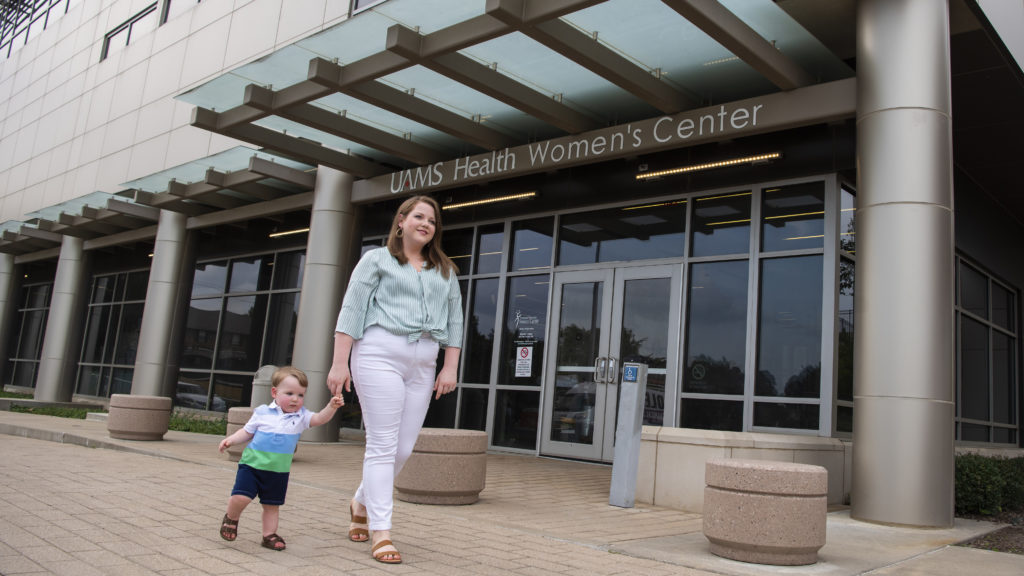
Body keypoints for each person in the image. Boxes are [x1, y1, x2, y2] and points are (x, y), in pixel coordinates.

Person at [328, 195, 463, 564]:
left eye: (432, 220)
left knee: (403, 449)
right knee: (383, 445)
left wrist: (449, 368)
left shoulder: (445, 270)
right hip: (379, 353)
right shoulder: (377, 259)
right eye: (419, 216)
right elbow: (352, 310)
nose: (426, 224)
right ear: (400, 221)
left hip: (424, 361)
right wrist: (340, 364)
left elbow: (455, 321)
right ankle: (381, 532)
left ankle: (360, 500)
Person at [218, 366, 344, 551]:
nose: (295, 399)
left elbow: (319, 419)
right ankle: (232, 517)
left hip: (278, 472)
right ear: (274, 392)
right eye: (290, 393)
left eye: (301, 395)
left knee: (272, 505)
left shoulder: (301, 416)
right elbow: (247, 431)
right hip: (251, 466)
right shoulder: (262, 412)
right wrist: (231, 440)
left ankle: (269, 535)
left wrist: (331, 407)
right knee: (241, 497)